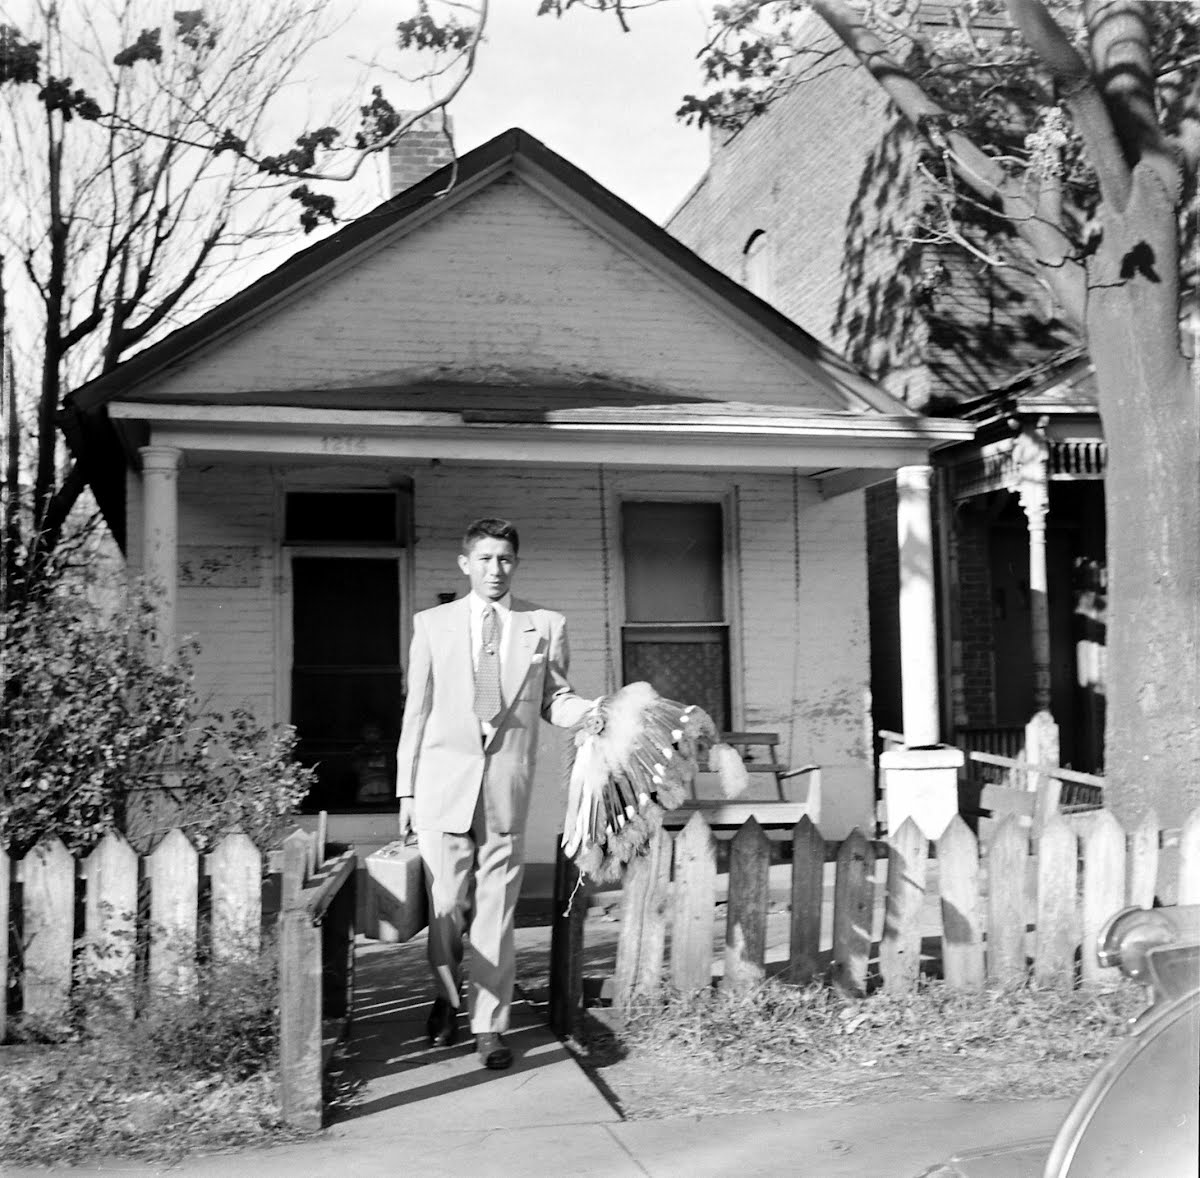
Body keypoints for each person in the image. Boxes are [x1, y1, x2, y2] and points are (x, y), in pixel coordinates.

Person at [395, 518, 595, 1070]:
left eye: (504, 559)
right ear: (465, 564)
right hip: (441, 787)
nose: (494, 569)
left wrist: (592, 714)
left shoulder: (544, 625)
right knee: (444, 908)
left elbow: (558, 700)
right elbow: (417, 712)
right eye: (484, 559)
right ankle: (446, 997)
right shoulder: (432, 625)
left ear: (515, 563)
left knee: (495, 912)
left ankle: (489, 1026)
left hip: (506, 789)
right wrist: (405, 790)